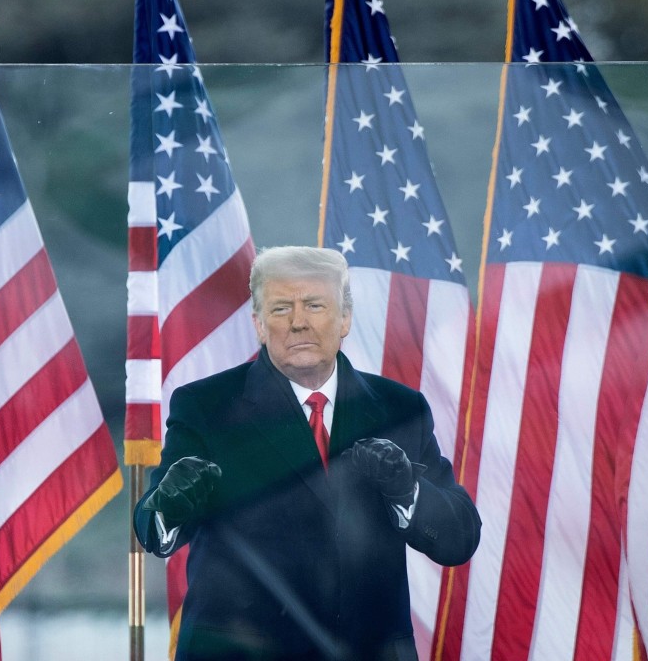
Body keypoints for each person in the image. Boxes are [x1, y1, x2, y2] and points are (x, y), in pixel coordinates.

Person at [133, 246, 480, 661]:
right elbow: (154, 532)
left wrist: (408, 491)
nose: (298, 322)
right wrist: (169, 503)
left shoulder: (400, 408)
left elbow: (459, 538)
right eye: (281, 309)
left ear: (345, 318)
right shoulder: (206, 406)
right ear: (259, 325)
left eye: (314, 305)